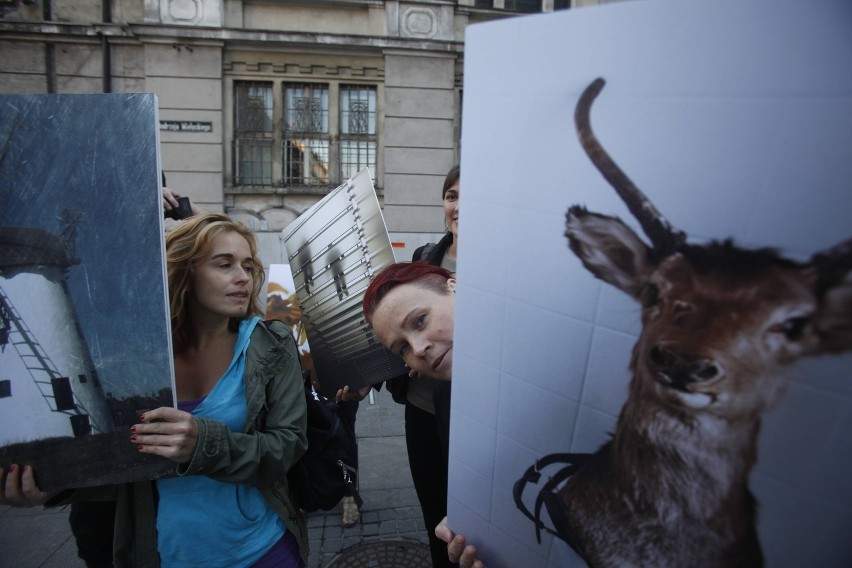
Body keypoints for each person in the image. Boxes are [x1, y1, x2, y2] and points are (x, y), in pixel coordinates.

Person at [1, 213, 309, 568]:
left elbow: (287, 446)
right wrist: (51, 485)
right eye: (224, 265)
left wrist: (203, 444)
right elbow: (113, 460)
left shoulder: (268, 343)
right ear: (184, 271)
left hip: (263, 551)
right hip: (166, 554)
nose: (243, 278)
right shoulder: (131, 359)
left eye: (248, 266)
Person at [339, 165, 460, 567]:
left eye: (423, 321)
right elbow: (397, 336)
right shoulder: (428, 258)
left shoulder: (509, 262)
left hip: (474, 417)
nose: (420, 348)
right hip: (425, 412)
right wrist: (362, 379)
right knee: (438, 518)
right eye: (451, 195)